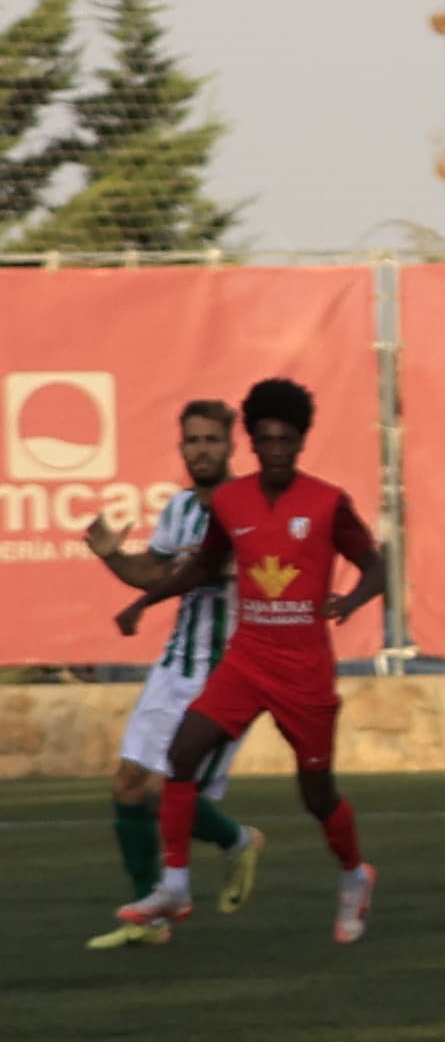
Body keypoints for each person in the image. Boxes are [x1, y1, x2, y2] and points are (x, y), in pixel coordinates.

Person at [112, 377, 385, 946]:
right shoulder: (232, 503)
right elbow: (201, 568)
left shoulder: (328, 501)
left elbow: (374, 565)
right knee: (182, 752)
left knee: (317, 795)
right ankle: (177, 885)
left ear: (301, 441)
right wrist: (144, 599)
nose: (277, 449)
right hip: (247, 659)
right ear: (253, 444)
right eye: (267, 439)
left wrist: (352, 600)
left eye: (287, 439)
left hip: (303, 672)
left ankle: (354, 874)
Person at [81, 398, 260, 947]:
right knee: (129, 786)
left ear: (231, 446)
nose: (201, 449)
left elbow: (205, 570)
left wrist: (148, 596)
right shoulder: (180, 510)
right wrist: (114, 557)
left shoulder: (251, 508)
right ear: (182, 447)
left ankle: (238, 842)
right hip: (175, 666)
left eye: (211, 440)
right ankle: (150, 917)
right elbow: (157, 570)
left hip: (229, 673)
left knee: (165, 792)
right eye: (193, 440)